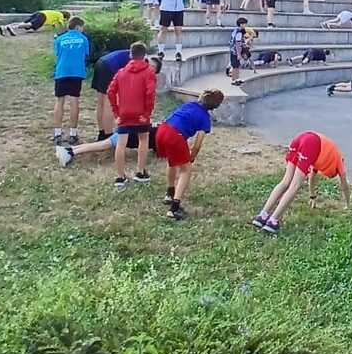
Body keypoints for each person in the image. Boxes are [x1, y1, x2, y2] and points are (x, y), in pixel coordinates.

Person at [252, 131, 350, 236]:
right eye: (332, 175)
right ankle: (273, 221)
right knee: (295, 185)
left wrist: (312, 197)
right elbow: (344, 184)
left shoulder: (324, 158)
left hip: (300, 138)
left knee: (286, 181)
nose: (329, 176)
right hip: (312, 143)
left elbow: (312, 177)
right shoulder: (339, 161)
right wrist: (348, 204)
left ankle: (262, 216)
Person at [155, 90, 225, 220]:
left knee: (172, 162)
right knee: (186, 170)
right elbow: (197, 145)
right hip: (175, 136)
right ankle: (174, 208)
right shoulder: (205, 119)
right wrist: (191, 157)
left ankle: (169, 194)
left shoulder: (190, 104)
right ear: (215, 106)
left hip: (162, 130)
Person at [106, 41, 157, 187]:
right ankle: (140, 171)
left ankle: (120, 176)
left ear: (130, 54)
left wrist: (116, 112)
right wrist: (147, 113)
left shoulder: (121, 72)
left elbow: (110, 91)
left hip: (124, 113)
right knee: (143, 139)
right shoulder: (149, 72)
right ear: (144, 56)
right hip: (141, 113)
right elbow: (150, 94)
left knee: (121, 143)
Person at [91, 46, 161, 139]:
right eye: (152, 67)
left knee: (101, 102)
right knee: (108, 104)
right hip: (110, 67)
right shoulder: (140, 62)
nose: (150, 70)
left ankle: (102, 132)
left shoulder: (139, 56)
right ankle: (107, 135)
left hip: (101, 62)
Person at [52, 16, 89, 145]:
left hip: (62, 71)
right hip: (77, 72)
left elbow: (57, 54)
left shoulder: (59, 39)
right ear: (78, 27)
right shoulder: (83, 39)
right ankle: (73, 133)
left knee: (59, 101)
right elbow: (85, 55)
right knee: (74, 102)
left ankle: (57, 133)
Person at [55, 122, 159, 168]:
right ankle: (71, 152)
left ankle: (70, 149)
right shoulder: (162, 133)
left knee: (101, 144)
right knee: (102, 145)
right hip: (130, 135)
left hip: (131, 129)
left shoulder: (161, 126)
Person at [0, 8, 70, 37]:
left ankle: (4, 27)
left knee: (24, 23)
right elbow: (62, 25)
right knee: (30, 25)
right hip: (43, 17)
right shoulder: (60, 15)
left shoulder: (55, 13)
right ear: (65, 17)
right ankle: (13, 27)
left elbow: (53, 25)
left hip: (39, 13)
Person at [228, 16, 249, 85]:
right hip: (235, 51)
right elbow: (237, 43)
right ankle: (234, 80)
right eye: (245, 24)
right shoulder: (239, 33)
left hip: (233, 50)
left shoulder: (236, 30)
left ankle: (237, 78)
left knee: (237, 65)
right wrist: (239, 54)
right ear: (241, 24)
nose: (246, 25)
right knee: (235, 66)